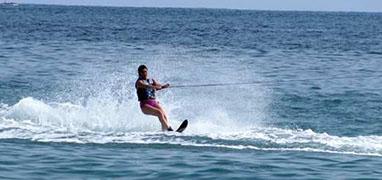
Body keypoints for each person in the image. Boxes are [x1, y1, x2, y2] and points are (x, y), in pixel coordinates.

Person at [135, 65, 173, 131]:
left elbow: (158, 86)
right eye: (143, 72)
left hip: (153, 102)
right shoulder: (139, 82)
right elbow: (147, 86)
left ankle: (164, 131)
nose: (145, 73)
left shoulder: (150, 80)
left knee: (164, 115)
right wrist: (155, 87)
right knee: (159, 113)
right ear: (139, 73)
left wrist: (164, 86)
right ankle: (169, 129)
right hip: (145, 105)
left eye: (146, 72)